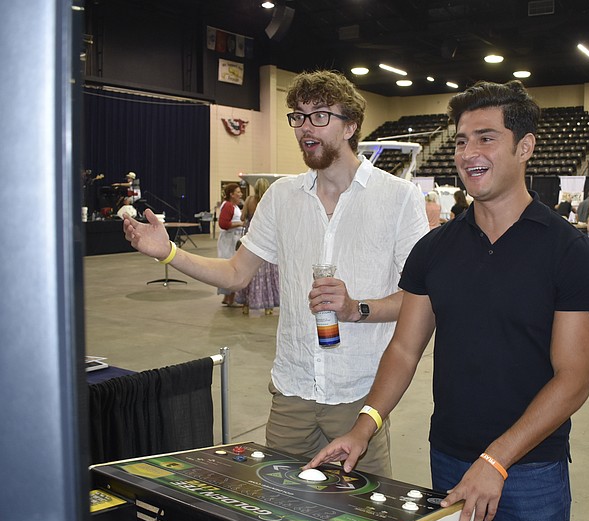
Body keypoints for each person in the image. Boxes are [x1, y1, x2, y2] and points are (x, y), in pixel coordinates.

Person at [305, 80, 589, 521]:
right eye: (462, 140)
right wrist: (363, 428)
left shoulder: (570, 254)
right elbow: (404, 350)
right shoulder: (435, 249)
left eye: (486, 138)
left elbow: (573, 380)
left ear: (524, 146)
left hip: (531, 469)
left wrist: (496, 460)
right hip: (450, 459)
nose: (469, 153)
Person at [123, 70, 428, 476]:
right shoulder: (282, 197)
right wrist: (169, 253)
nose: (305, 128)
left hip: (359, 395)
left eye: (320, 116)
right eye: (298, 116)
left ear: (351, 125)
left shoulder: (399, 198)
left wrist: (357, 308)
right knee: (282, 518)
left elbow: (421, 299)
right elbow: (236, 274)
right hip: (291, 394)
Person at [235, 178, 280, 315]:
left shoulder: (249, 200)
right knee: (268, 274)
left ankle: (246, 305)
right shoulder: (270, 200)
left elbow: (242, 218)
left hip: (253, 238)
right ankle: (268, 307)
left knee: (249, 271)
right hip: (268, 239)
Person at [217, 183, 245, 307]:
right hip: (229, 241)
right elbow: (224, 224)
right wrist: (241, 223)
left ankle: (229, 296)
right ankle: (230, 297)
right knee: (231, 267)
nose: (240, 194)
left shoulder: (234, 206)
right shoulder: (228, 206)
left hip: (232, 240)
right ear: (231, 194)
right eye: (238, 192)